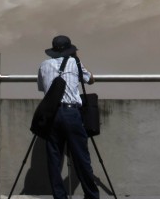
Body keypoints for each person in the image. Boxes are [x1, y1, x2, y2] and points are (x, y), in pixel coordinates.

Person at [37, 35, 100, 199]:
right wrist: (76, 59)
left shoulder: (44, 65)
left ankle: (59, 196)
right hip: (71, 113)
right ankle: (92, 195)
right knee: (81, 157)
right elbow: (90, 80)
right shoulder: (75, 62)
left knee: (54, 159)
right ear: (69, 50)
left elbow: (41, 87)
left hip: (52, 115)